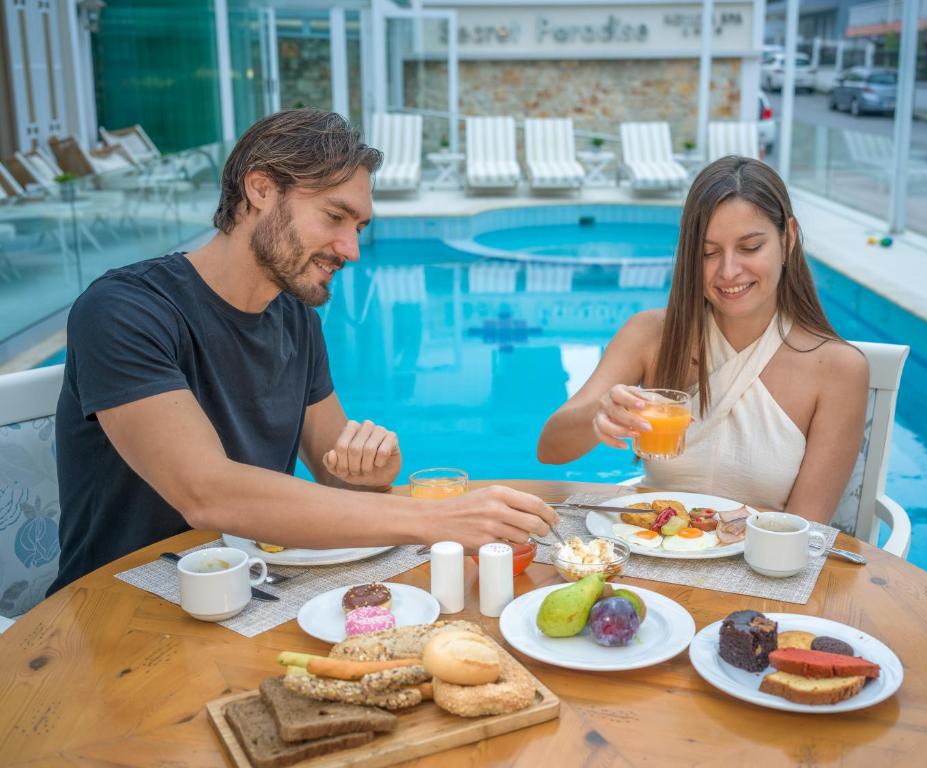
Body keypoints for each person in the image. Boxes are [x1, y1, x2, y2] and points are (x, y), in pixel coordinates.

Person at [50, 109, 556, 594]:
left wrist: (372, 475)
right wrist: (433, 519)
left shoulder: (295, 320)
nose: (351, 249)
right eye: (336, 216)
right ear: (261, 189)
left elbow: (334, 471)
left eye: (358, 228)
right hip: (120, 606)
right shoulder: (125, 311)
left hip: (253, 586)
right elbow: (206, 492)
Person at [537, 156, 868, 524]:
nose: (728, 272)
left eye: (750, 247)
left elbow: (805, 532)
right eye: (709, 253)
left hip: (761, 568)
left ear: (787, 237)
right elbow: (550, 449)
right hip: (648, 547)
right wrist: (599, 414)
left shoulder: (837, 369)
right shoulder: (650, 335)